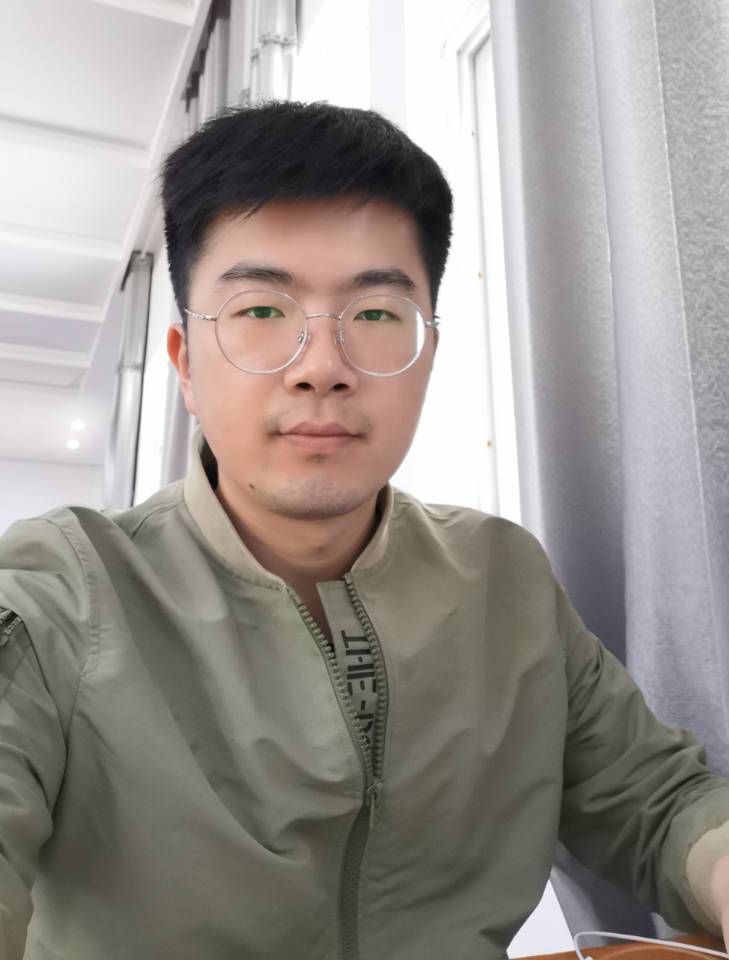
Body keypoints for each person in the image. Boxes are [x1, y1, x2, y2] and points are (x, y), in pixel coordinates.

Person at [0, 100, 727, 960]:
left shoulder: (503, 579)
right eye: (260, 311)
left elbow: (655, 801)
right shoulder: (59, 591)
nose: (321, 368)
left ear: (427, 357)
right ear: (186, 365)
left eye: (377, 315)